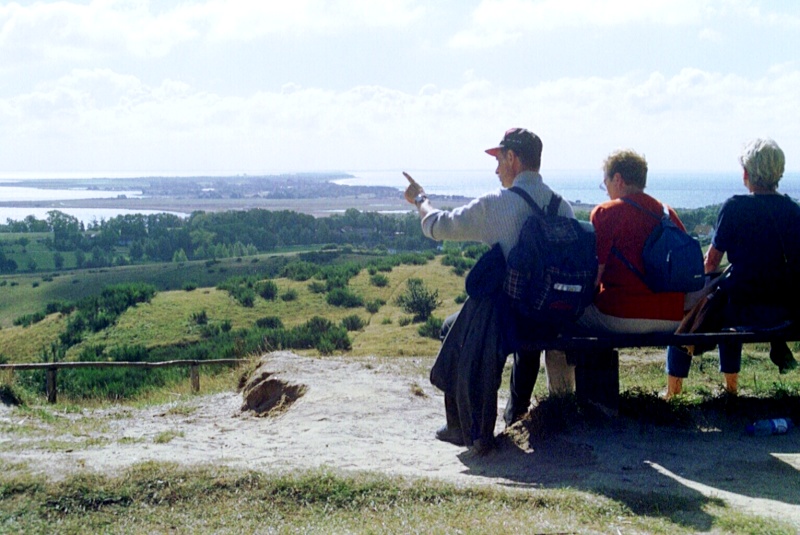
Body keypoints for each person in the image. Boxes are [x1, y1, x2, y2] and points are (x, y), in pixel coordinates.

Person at [403, 127, 575, 453]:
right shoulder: (560, 206)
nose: (496, 170)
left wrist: (420, 200)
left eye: (498, 160)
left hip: (510, 318)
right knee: (528, 342)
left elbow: (436, 226)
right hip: (552, 317)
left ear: (512, 158)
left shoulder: (496, 205)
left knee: (451, 326)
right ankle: (516, 414)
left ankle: (458, 426)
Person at [511, 149, 688, 415]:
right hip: (672, 316)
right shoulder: (667, 213)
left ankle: (561, 402)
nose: (605, 189)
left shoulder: (606, 213)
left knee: (558, 322)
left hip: (622, 315)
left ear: (617, 178)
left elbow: (595, 276)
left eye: (605, 182)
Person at [666, 138, 800, 397]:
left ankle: (673, 393)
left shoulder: (735, 208)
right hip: (785, 307)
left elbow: (712, 262)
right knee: (726, 302)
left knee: (692, 320)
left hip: (741, 306)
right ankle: (730, 389)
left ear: (747, 173)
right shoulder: (793, 211)